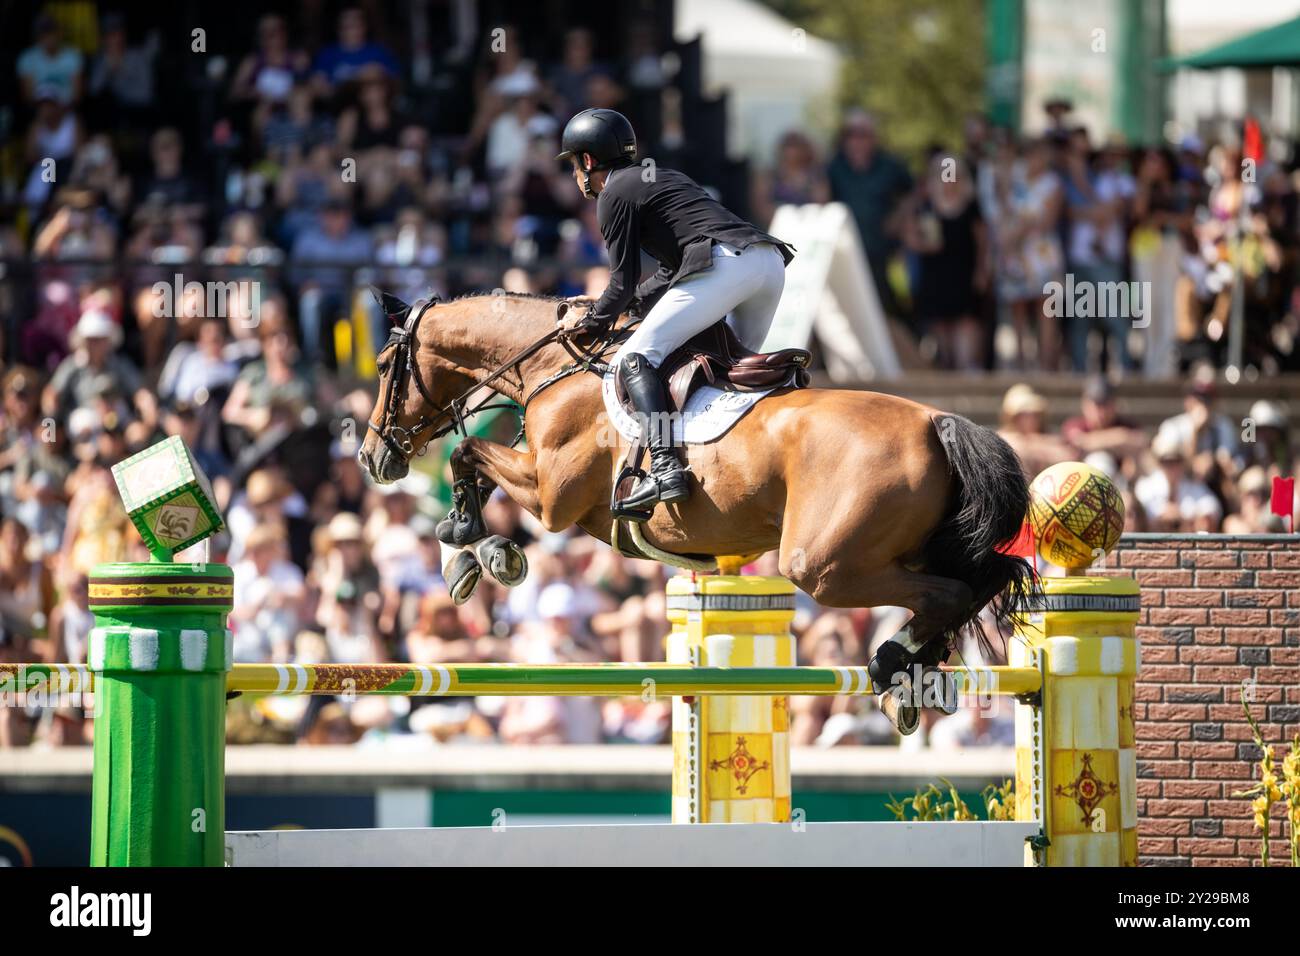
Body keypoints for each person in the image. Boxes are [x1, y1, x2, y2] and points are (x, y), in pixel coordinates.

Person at [555, 108, 795, 518]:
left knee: (635, 358)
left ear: (589, 161)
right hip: (766, 264)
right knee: (729, 371)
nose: (576, 174)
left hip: (725, 264)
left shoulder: (613, 193)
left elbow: (621, 281)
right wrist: (628, 307)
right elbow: (668, 271)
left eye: (575, 163)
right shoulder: (658, 177)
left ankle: (665, 467)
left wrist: (590, 321)